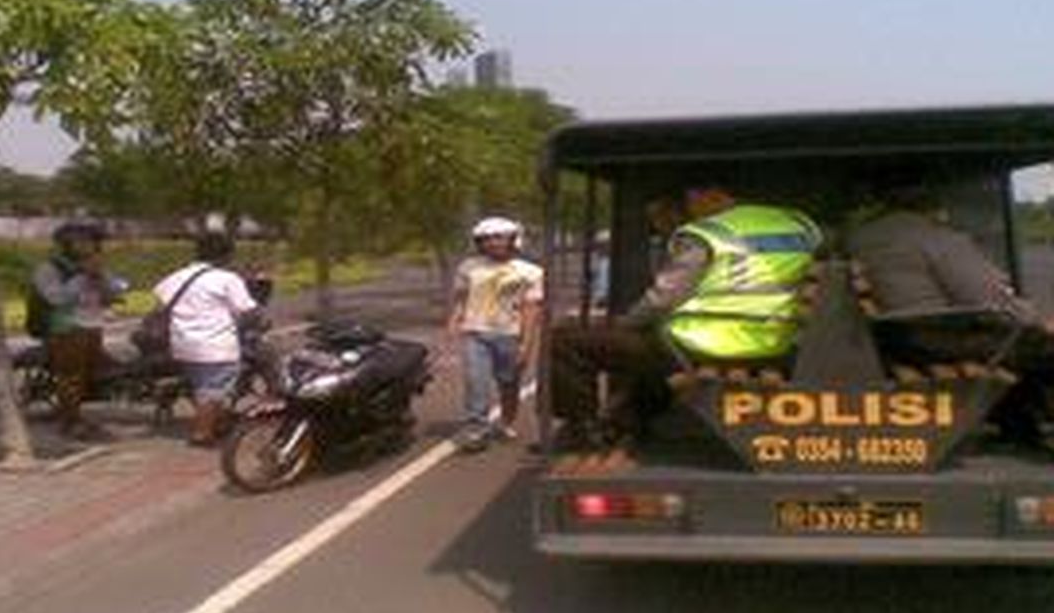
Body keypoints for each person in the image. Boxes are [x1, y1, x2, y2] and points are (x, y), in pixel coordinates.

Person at [551, 189, 823, 447]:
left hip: (701, 347)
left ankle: (583, 432)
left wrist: (626, 323)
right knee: (644, 353)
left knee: (565, 341)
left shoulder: (708, 233)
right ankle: (629, 419)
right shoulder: (800, 225)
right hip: (777, 344)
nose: (688, 211)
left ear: (703, 194)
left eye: (689, 202)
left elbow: (662, 299)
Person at [848, 183, 1054, 444]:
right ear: (933, 208)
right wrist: (1037, 320)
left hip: (895, 338)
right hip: (936, 336)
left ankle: (1019, 427)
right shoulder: (937, 237)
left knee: (1024, 344)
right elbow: (988, 299)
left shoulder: (861, 237)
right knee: (1040, 345)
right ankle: (1020, 427)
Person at [154, 232, 260, 446]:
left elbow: (159, 307)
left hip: (183, 345)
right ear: (227, 255)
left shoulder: (176, 277)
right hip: (216, 345)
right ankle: (202, 434)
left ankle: (218, 423)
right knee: (213, 390)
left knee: (203, 386)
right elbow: (250, 312)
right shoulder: (227, 279)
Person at [447, 216, 543, 450]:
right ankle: (477, 429)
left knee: (508, 383)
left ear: (513, 239)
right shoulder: (469, 267)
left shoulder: (530, 272)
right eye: (486, 239)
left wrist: (526, 344)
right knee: (475, 381)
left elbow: (531, 309)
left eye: (498, 237)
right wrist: (454, 320)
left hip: (510, 335)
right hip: (476, 332)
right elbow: (461, 297)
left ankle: (507, 421)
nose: (492, 243)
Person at [30, 221, 120, 439]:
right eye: (82, 241)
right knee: (71, 377)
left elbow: (112, 295)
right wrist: (82, 277)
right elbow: (56, 298)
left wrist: (102, 280)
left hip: (92, 326)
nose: (88, 246)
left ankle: (77, 416)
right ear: (66, 243)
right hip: (65, 328)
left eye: (91, 241)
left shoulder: (95, 267)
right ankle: (68, 423)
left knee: (89, 376)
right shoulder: (50, 268)